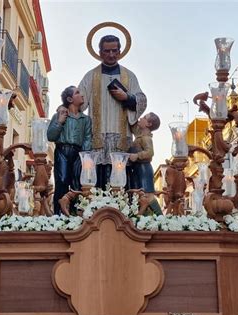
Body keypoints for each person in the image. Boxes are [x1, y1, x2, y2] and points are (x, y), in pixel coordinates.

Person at [78, 35, 147, 189]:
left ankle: (122, 211)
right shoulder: (91, 76)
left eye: (114, 51)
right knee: (98, 175)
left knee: (121, 175)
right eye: (106, 51)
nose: (111, 54)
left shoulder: (129, 76)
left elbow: (141, 100)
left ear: (120, 51)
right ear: (100, 52)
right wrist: (66, 106)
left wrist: (127, 97)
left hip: (122, 135)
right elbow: (79, 102)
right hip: (98, 134)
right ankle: (97, 210)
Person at [47, 86, 92, 215]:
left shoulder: (86, 120)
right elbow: (50, 136)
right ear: (70, 99)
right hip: (62, 151)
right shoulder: (60, 115)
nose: (82, 95)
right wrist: (59, 122)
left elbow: (88, 138)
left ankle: (74, 213)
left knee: (77, 182)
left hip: (79, 154)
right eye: (77, 93)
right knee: (62, 181)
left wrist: (84, 156)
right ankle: (59, 214)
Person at [129, 112, 162, 215]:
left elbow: (150, 152)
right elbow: (133, 125)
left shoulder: (146, 138)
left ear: (148, 124)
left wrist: (137, 156)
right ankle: (145, 216)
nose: (141, 118)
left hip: (144, 169)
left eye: (144, 117)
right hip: (138, 169)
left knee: (148, 195)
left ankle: (160, 216)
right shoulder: (139, 135)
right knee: (141, 195)